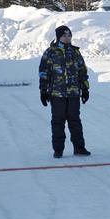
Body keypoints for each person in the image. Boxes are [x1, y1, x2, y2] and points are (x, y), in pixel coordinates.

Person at [38, 25, 91, 158]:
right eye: (64, 36)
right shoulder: (50, 52)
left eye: (69, 36)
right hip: (57, 93)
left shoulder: (75, 52)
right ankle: (58, 149)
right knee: (58, 121)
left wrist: (85, 88)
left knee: (75, 120)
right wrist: (43, 90)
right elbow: (44, 72)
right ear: (58, 37)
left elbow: (82, 70)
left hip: (73, 93)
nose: (67, 38)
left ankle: (79, 147)